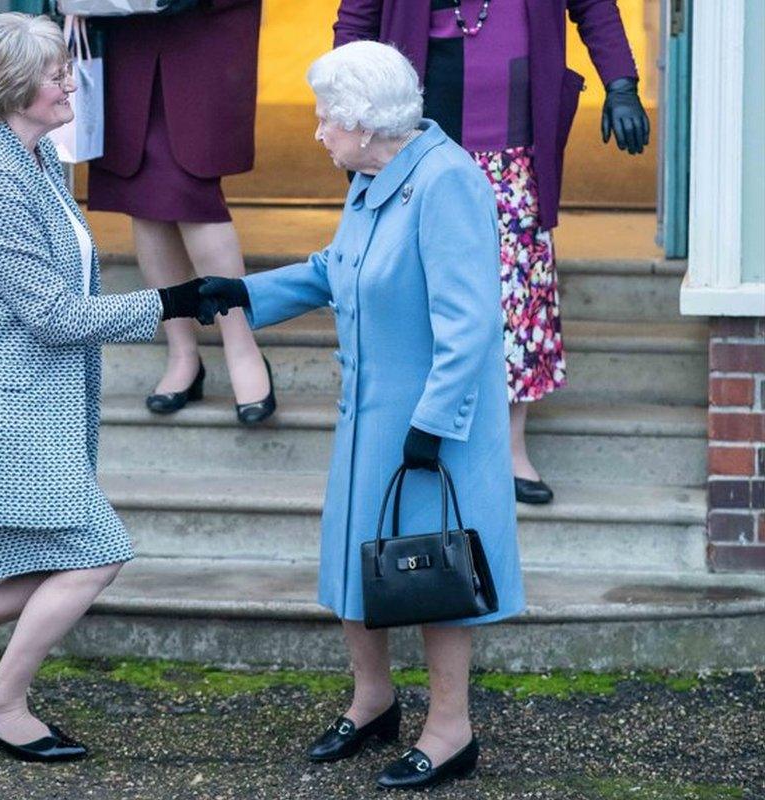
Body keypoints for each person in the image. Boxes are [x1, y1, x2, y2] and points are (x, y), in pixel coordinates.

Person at [0, 13, 212, 763]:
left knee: (47, 556)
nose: (71, 81)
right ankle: (0, 702)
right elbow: (53, 314)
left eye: (66, 69)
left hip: (22, 392)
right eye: (57, 73)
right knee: (94, 550)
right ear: (12, 87)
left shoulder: (32, 155)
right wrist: (170, 302)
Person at [200, 41, 525, 790]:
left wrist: (433, 425)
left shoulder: (446, 183)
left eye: (325, 121)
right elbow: (334, 269)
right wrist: (243, 291)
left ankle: (451, 730)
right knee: (359, 558)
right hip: (369, 417)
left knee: (437, 573)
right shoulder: (371, 177)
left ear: (364, 122)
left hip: (432, 427)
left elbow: (470, 322)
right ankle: (373, 700)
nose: (317, 133)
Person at [333, 0, 650, 504]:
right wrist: (348, 119)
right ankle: (421, 436)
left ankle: (510, 447)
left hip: (515, 148)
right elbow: (356, 21)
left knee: (516, 300)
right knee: (418, 293)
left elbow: (594, 6)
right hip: (416, 144)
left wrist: (621, 83)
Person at [88, 0, 276, 424]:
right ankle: (182, 351)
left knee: (192, 186)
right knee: (141, 190)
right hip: (128, 23)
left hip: (205, 24)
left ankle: (240, 345)